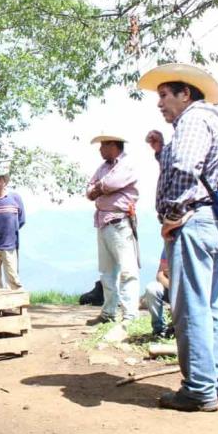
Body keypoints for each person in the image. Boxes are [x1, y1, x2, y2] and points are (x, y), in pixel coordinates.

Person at [139, 63, 218, 412]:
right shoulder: (216, 121)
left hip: (192, 223)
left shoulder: (193, 119)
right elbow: (197, 167)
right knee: (210, 305)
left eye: (165, 95)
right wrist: (162, 151)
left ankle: (197, 390)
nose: (160, 103)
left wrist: (172, 216)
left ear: (186, 94)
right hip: (216, 223)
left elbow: (185, 169)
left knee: (190, 306)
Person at [85, 135, 140, 326]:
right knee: (106, 271)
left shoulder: (126, 164)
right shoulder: (103, 167)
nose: (100, 149)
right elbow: (89, 191)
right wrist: (101, 188)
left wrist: (100, 187)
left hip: (120, 221)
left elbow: (109, 185)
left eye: (103, 145)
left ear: (113, 145)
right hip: (103, 221)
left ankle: (130, 315)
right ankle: (108, 312)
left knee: (127, 270)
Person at [144, 249, 172, 338]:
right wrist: (173, 288)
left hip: (190, 292)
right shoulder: (169, 246)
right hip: (171, 288)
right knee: (152, 288)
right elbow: (160, 275)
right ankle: (159, 329)